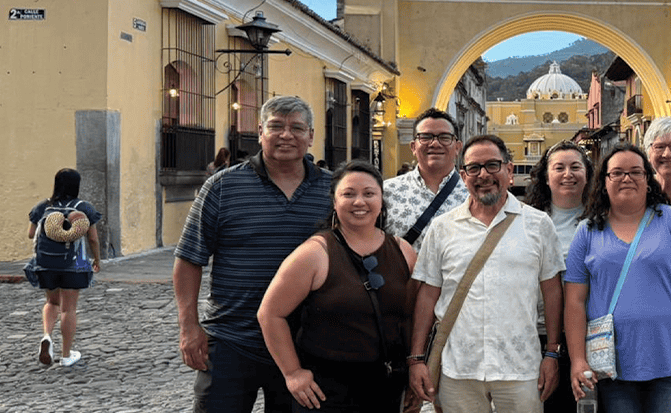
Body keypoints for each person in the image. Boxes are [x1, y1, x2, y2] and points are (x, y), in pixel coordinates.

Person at [173, 95, 333, 413]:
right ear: (260, 131)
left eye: (297, 128)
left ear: (311, 135)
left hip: (305, 343)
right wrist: (189, 328)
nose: (286, 135)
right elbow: (189, 259)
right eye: (276, 126)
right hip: (231, 339)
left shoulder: (332, 191)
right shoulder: (222, 187)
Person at [407, 135, 565, 413]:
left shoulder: (538, 225)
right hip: (458, 369)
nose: (484, 175)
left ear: (508, 170)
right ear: (463, 175)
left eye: (492, 165)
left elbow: (552, 291)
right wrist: (417, 358)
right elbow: (428, 294)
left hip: (520, 367)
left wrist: (552, 352)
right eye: (474, 168)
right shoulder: (443, 228)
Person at [566, 143, 671, 413]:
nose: (627, 178)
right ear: (603, 182)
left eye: (636, 172)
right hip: (612, 368)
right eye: (618, 173)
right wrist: (578, 360)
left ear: (648, 180)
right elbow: (574, 301)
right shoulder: (586, 231)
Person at [257, 160, 417, 412]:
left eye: (369, 193)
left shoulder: (403, 251)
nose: (359, 202)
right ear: (334, 202)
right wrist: (293, 373)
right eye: (348, 194)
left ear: (381, 200)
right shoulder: (314, 254)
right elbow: (270, 314)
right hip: (326, 391)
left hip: (386, 386)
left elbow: (410, 317)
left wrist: (413, 369)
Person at [524, 140, 595, 413]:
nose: (568, 174)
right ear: (546, 176)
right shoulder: (529, 221)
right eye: (559, 168)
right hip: (540, 335)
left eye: (576, 167)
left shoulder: (602, 219)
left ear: (588, 175)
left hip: (591, 335)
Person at [26, 168, 102, 367]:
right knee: (69, 309)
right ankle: (66, 355)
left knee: (52, 303)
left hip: (46, 264)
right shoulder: (83, 207)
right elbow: (93, 238)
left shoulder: (44, 206)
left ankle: (47, 337)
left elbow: (31, 233)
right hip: (73, 265)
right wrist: (97, 259)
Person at [384, 108, 469, 251]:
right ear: (413, 146)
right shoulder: (387, 191)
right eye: (426, 137)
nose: (435, 144)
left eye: (444, 137)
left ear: (457, 147)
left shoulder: (472, 193)